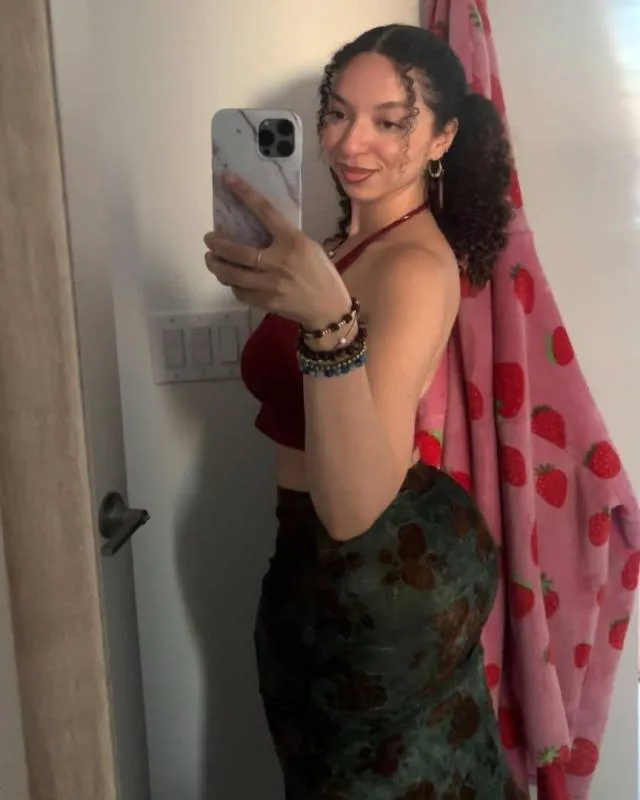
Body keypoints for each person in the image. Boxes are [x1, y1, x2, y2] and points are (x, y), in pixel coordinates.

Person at [204, 22, 524, 800]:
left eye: (389, 121)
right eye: (339, 113)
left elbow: (352, 508)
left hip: (369, 572)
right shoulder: (349, 245)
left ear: (441, 138)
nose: (352, 142)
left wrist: (327, 321)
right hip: (351, 559)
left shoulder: (411, 265)